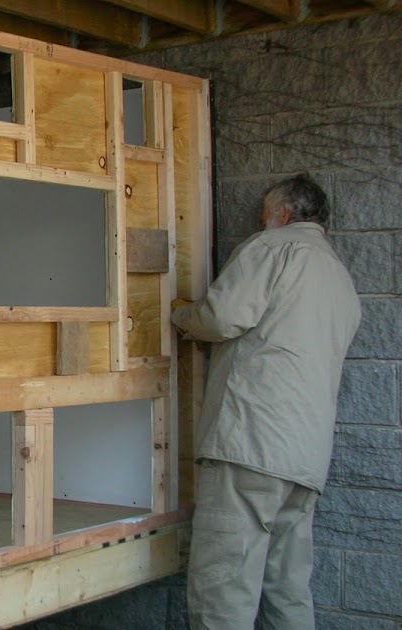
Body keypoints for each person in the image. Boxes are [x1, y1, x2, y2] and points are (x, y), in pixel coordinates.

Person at [170, 174, 361, 630]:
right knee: (288, 589)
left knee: (224, 592)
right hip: (305, 460)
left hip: (250, 446)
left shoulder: (274, 248)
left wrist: (180, 315)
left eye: (264, 216)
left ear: (285, 214)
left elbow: (222, 316)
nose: (262, 223)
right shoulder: (340, 278)